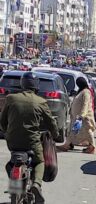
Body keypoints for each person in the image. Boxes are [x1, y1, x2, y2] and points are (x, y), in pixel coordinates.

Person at [0, 72, 59, 203]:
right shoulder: (41, 101)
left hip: (13, 142)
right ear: (36, 86)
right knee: (39, 161)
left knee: (11, 164)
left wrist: (7, 132)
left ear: (22, 84)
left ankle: (14, 188)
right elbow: (51, 123)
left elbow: (2, 121)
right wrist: (55, 135)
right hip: (31, 142)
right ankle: (36, 185)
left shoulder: (11, 98)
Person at [57, 78, 96, 154]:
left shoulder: (86, 92)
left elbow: (86, 104)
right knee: (73, 131)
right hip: (77, 117)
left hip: (84, 117)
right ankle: (67, 145)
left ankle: (92, 147)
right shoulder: (81, 91)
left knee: (88, 131)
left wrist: (82, 115)